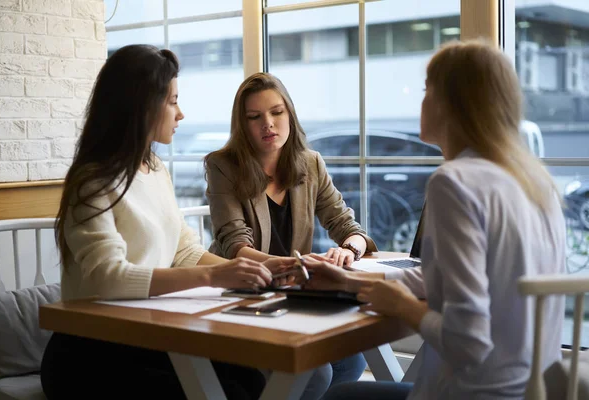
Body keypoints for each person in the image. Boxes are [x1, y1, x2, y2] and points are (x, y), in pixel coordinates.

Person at [304, 39, 566, 400]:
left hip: (472, 393)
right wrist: (352, 282)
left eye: (427, 90)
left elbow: (468, 342)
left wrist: (400, 305)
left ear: (452, 104)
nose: (421, 101)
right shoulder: (535, 182)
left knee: (339, 395)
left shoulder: (456, 181)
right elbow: (450, 277)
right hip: (528, 391)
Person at [40, 44, 296, 400]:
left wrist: (260, 269)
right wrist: (215, 276)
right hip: (93, 353)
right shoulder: (93, 179)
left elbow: (185, 249)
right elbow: (107, 276)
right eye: (173, 100)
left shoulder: (155, 169)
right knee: (233, 390)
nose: (181, 114)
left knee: (253, 380)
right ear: (141, 105)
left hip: (149, 336)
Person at [204, 72, 378, 399]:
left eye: (276, 112)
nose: (267, 124)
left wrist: (348, 251)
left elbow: (348, 227)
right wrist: (290, 265)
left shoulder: (310, 164)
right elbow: (234, 244)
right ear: (242, 125)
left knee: (351, 360)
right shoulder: (222, 165)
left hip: (291, 293)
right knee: (317, 370)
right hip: (242, 294)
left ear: (289, 114)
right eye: (254, 117)